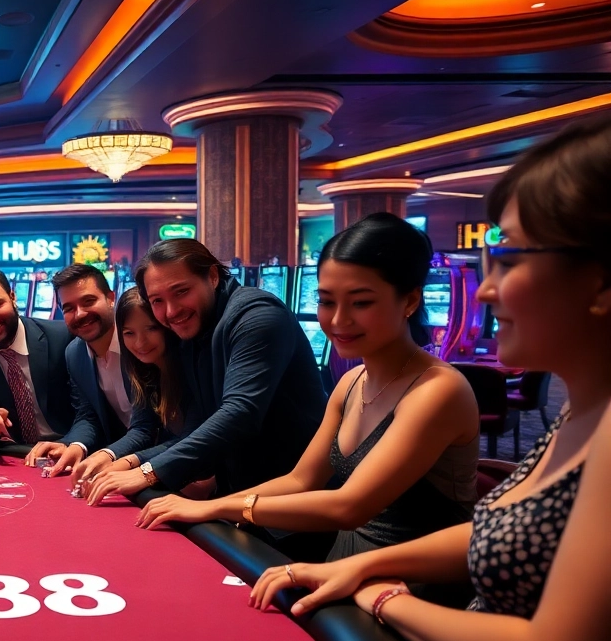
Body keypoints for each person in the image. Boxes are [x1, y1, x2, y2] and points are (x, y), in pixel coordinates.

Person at [249, 115, 611, 641]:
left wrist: (387, 595)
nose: (487, 291)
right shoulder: (580, 412)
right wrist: (362, 570)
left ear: (602, 278)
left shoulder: (450, 390)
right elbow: (488, 532)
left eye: (510, 257)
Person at [138, 215, 480, 564]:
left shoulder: (437, 389)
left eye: (360, 302)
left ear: (409, 301)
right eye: (327, 301)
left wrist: (217, 507)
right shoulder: (351, 382)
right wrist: (212, 508)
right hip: (342, 565)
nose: (338, 320)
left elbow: (349, 507)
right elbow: (300, 480)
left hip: (413, 580)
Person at [82, 239, 326, 507]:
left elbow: (240, 413)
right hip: (242, 493)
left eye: (181, 291)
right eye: (157, 301)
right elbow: (194, 428)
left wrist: (147, 472)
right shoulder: (193, 332)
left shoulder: (256, 315)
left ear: (211, 276)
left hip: (298, 500)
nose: (171, 311)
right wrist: (129, 461)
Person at [29, 264, 134, 475]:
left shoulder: (138, 341)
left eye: (89, 301)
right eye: (68, 308)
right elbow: (88, 415)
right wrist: (74, 444)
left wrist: (109, 455)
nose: (80, 314)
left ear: (111, 298)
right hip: (122, 462)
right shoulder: (74, 354)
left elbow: (153, 424)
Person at [71, 287, 184, 482]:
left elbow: (193, 438)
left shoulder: (190, 369)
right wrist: (108, 455)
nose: (140, 343)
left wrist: (131, 464)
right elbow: (143, 426)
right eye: (129, 333)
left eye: (151, 328)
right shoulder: (145, 371)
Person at [0, 267, 75, 448]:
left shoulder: (61, 337)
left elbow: (87, 410)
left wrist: (70, 445)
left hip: (67, 446)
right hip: (15, 454)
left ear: (13, 297)